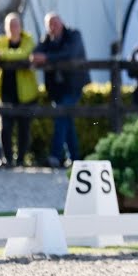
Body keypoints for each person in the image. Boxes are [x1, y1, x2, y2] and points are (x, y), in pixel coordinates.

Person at [0, 12, 39, 167]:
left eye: (15, 25)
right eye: (10, 25)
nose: (13, 28)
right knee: (5, 127)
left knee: (24, 127)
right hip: (5, 92)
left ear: (21, 27)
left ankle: (21, 159)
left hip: (25, 93)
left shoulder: (28, 40)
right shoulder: (1, 41)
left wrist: (1, 55)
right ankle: (7, 159)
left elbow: (22, 54)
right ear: (5, 28)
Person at [31, 12, 90, 168]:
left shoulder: (74, 35)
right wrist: (40, 56)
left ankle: (55, 156)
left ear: (62, 23)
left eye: (55, 23)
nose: (53, 27)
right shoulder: (47, 39)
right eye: (50, 24)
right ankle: (75, 158)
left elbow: (70, 54)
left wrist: (47, 58)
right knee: (66, 120)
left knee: (61, 117)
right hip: (57, 88)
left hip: (73, 85)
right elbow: (36, 53)